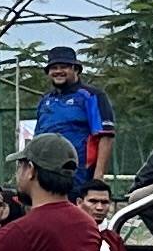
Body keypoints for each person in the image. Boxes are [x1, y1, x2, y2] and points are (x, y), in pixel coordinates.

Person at [31, 48, 115, 188]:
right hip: (46, 175)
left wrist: (98, 176)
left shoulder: (92, 96)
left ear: (75, 69)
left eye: (63, 67)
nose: (58, 71)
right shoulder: (45, 100)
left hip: (80, 176)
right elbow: (37, 140)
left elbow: (106, 136)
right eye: (53, 68)